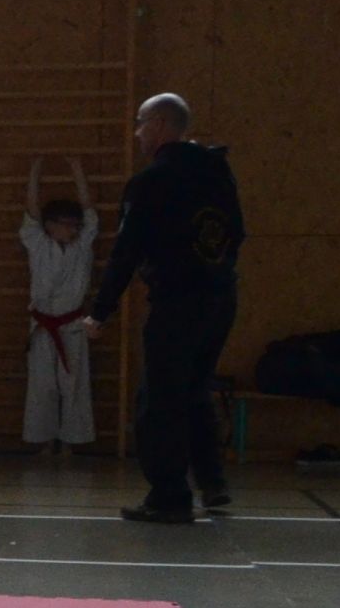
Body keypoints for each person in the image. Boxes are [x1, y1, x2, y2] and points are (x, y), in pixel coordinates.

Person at [85, 92, 245, 523]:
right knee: (195, 390)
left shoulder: (153, 181)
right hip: (221, 297)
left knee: (159, 401)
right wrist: (216, 273)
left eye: (140, 124)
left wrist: (101, 309)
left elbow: (127, 251)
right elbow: (237, 232)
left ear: (158, 125)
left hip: (178, 300)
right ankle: (212, 482)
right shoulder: (218, 171)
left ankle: (170, 496)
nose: (137, 134)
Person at [21, 157, 99, 455]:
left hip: (72, 323)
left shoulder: (83, 245)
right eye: (68, 225)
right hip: (43, 324)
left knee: (74, 383)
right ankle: (45, 440)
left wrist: (77, 171)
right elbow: (32, 209)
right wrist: (35, 172)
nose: (74, 230)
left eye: (76, 225)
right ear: (50, 226)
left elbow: (88, 208)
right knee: (42, 385)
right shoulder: (37, 242)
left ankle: (70, 442)